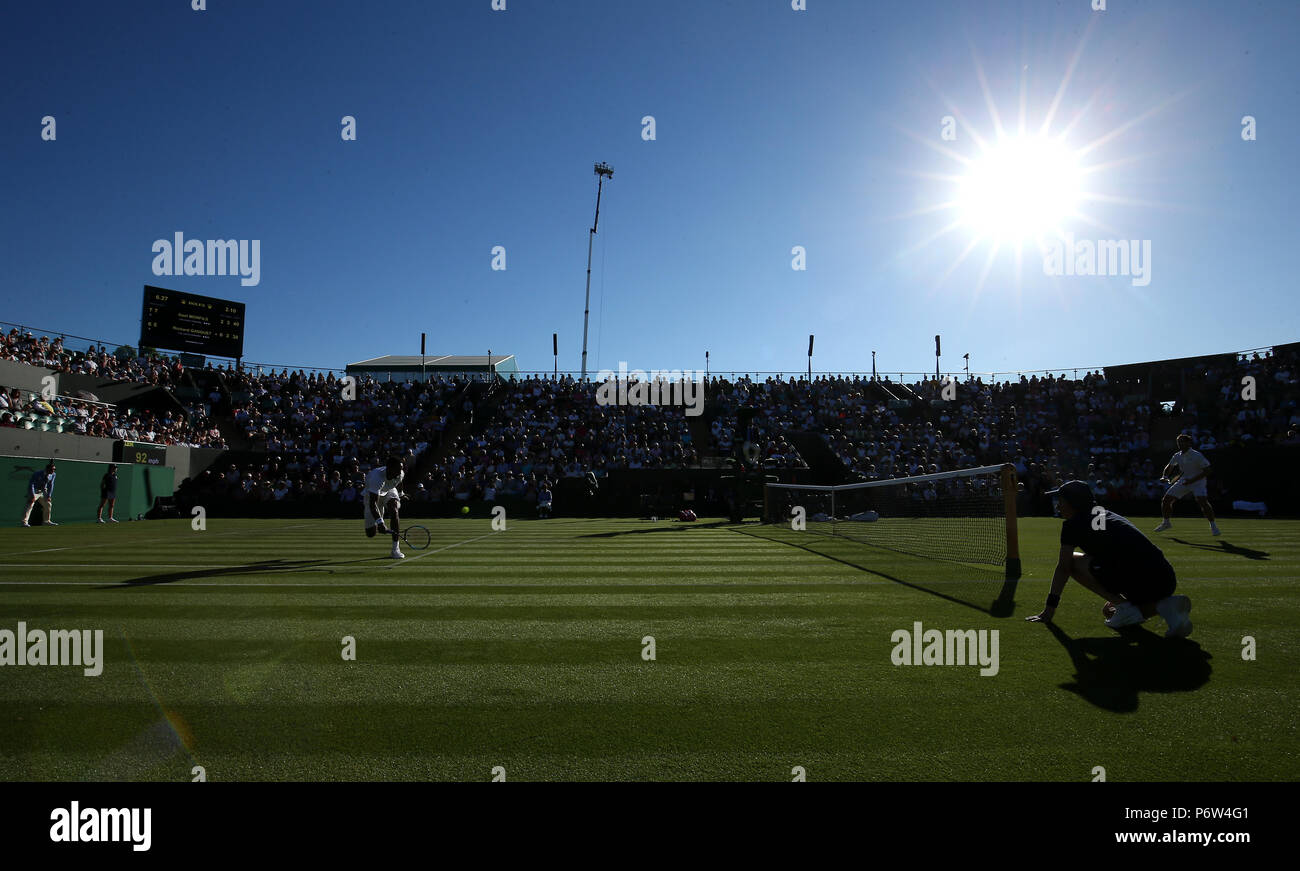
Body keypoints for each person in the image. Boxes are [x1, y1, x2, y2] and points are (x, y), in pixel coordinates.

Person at [1026, 480, 1192, 638]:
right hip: (1166, 578)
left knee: (1073, 562)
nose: (1057, 505)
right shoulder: (1105, 514)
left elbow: (1064, 568)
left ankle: (1128, 607)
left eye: (1060, 500)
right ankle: (1167, 609)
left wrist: (1049, 609)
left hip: (1139, 579)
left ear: (1073, 503)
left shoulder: (1073, 524)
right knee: (1109, 611)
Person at [1154, 433, 1220, 535]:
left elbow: (1207, 471)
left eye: (1182, 442)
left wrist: (1192, 481)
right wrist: (1165, 476)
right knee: (1166, 500)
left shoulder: (1197, 455)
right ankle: (1166, 523)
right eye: (1178, 442)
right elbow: (1170, 466)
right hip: (1184, 481)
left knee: (1202, 502)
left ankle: (1213, 526)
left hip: (1198, 481)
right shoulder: (1177, 455)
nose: (1180, 444)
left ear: (1189, 443)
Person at [363, 455, 405, 559]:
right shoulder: (376, 478)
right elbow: (373, 504)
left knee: (394, 510)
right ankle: (377, 524)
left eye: (401, 469)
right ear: (389, 468)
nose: (400, 472)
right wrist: (380, 522)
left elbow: (400, 483)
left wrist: (401, 494)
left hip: (389, 491)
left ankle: (395, 550)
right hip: (372, 495)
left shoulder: (400, 473)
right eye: (398, 469)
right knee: (371, 533)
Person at [21, 460, 59, 527]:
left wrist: (49, 495)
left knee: (48, 504)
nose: (53, 471)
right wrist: (32, 495)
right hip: (35, 490)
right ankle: (24, 522)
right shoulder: (37, 474)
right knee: (30, 504)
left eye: (54, 469)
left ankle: (46, 521)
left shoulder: (53, 475)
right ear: (47, 469)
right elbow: (31, 484)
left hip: (43, 491)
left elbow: (51, 485)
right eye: (52, 469)